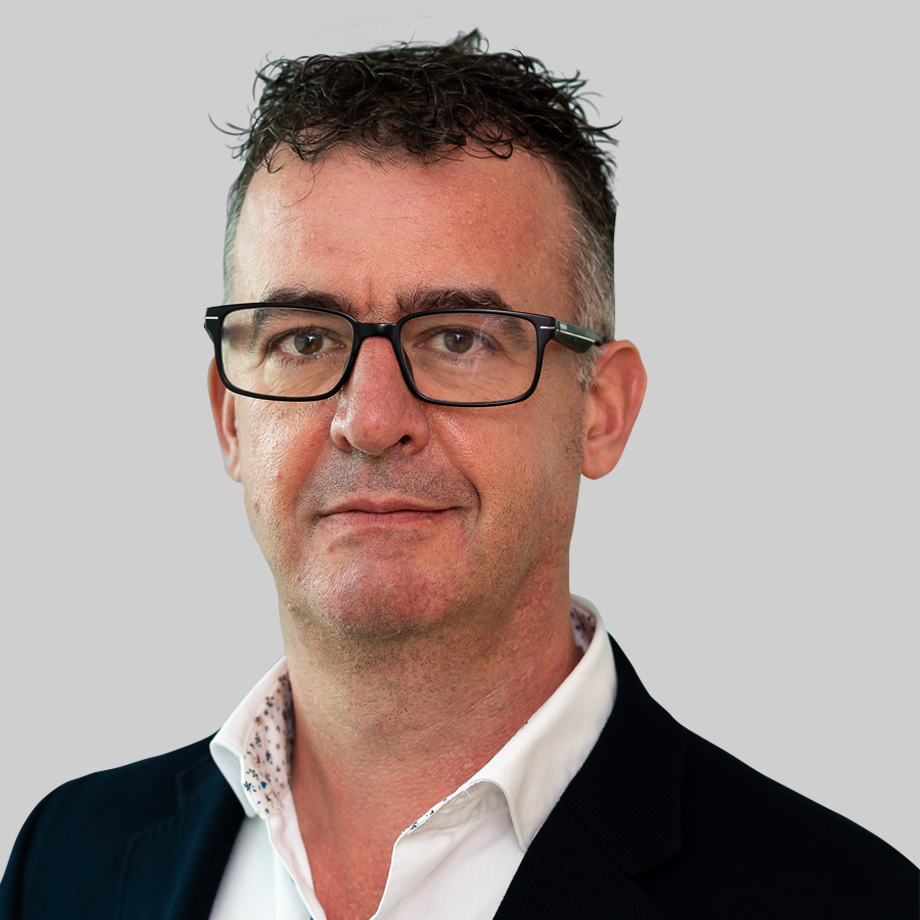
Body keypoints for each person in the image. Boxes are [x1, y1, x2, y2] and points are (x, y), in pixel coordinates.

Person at [2, 30, 916, 920]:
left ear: (602, 410)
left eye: (457, 339)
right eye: (305, 340)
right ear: (230, 415)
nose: (370, 420)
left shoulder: (843, 902)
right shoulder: (68, 860)